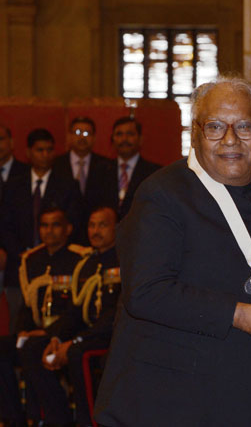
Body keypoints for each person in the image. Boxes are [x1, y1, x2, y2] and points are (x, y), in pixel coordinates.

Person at [94, 77, 251, 426]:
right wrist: (237, 314)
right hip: (167, 402)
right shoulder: (162, 194)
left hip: (248, 399)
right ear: (195, 133)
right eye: (216, 127)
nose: (230, 140)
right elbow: (146, 292)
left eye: (244, 126)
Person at [25, 206, 120, 427]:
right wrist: (56, 338)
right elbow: (75, 312)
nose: (95, 231)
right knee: (34, 346)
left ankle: (88, 422)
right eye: (91, 225)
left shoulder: (124, 259)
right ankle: (58, 419)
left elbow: (113, 315)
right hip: (89, 332)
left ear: (117, 228)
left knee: (78, 352)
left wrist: (77, 340)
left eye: (102, 225)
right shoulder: (86, 265)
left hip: (112, 335)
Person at [0, 207, 86, 426]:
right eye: (44, 225)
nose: (49, 231)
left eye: (55, 225)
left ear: (68, 228)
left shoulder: (80, 259)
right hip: (37, 332)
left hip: (66, 333)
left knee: (33, 348)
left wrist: (49, 332)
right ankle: (14, 418)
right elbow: (28, 305)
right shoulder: (32, 260)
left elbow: (77, 311)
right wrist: (22, 330)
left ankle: (57, 420)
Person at [0, 129, 83, 335]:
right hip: (19, 264)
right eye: (39, 150)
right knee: (19, 320)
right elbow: (5, 225)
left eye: (49, 150)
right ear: (28, 152)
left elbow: (73, 223)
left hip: (57, 265)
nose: (45, 155)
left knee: (56, 321)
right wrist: (23, 253)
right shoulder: (13, 184)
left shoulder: (67, 185)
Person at [53, 117, 111, 224]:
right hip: (64, 227)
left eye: (86, 133)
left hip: (96, 226)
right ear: (69, 136)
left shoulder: (106, 165)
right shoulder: (56, 164)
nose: (82, 137)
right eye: (78, 132)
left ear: (94, 138)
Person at [0, 123, 29, 335]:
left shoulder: (27, 173)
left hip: (19, 256)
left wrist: (13, 250)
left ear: (11, 143)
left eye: (1, 139)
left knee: (18, 316)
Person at [102, 116, 160, 220]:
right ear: (112, 139)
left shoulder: (154, 173)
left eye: (130, 134)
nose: (124, 139)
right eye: (119, 134)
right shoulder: (101, 171)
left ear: (140, 139)